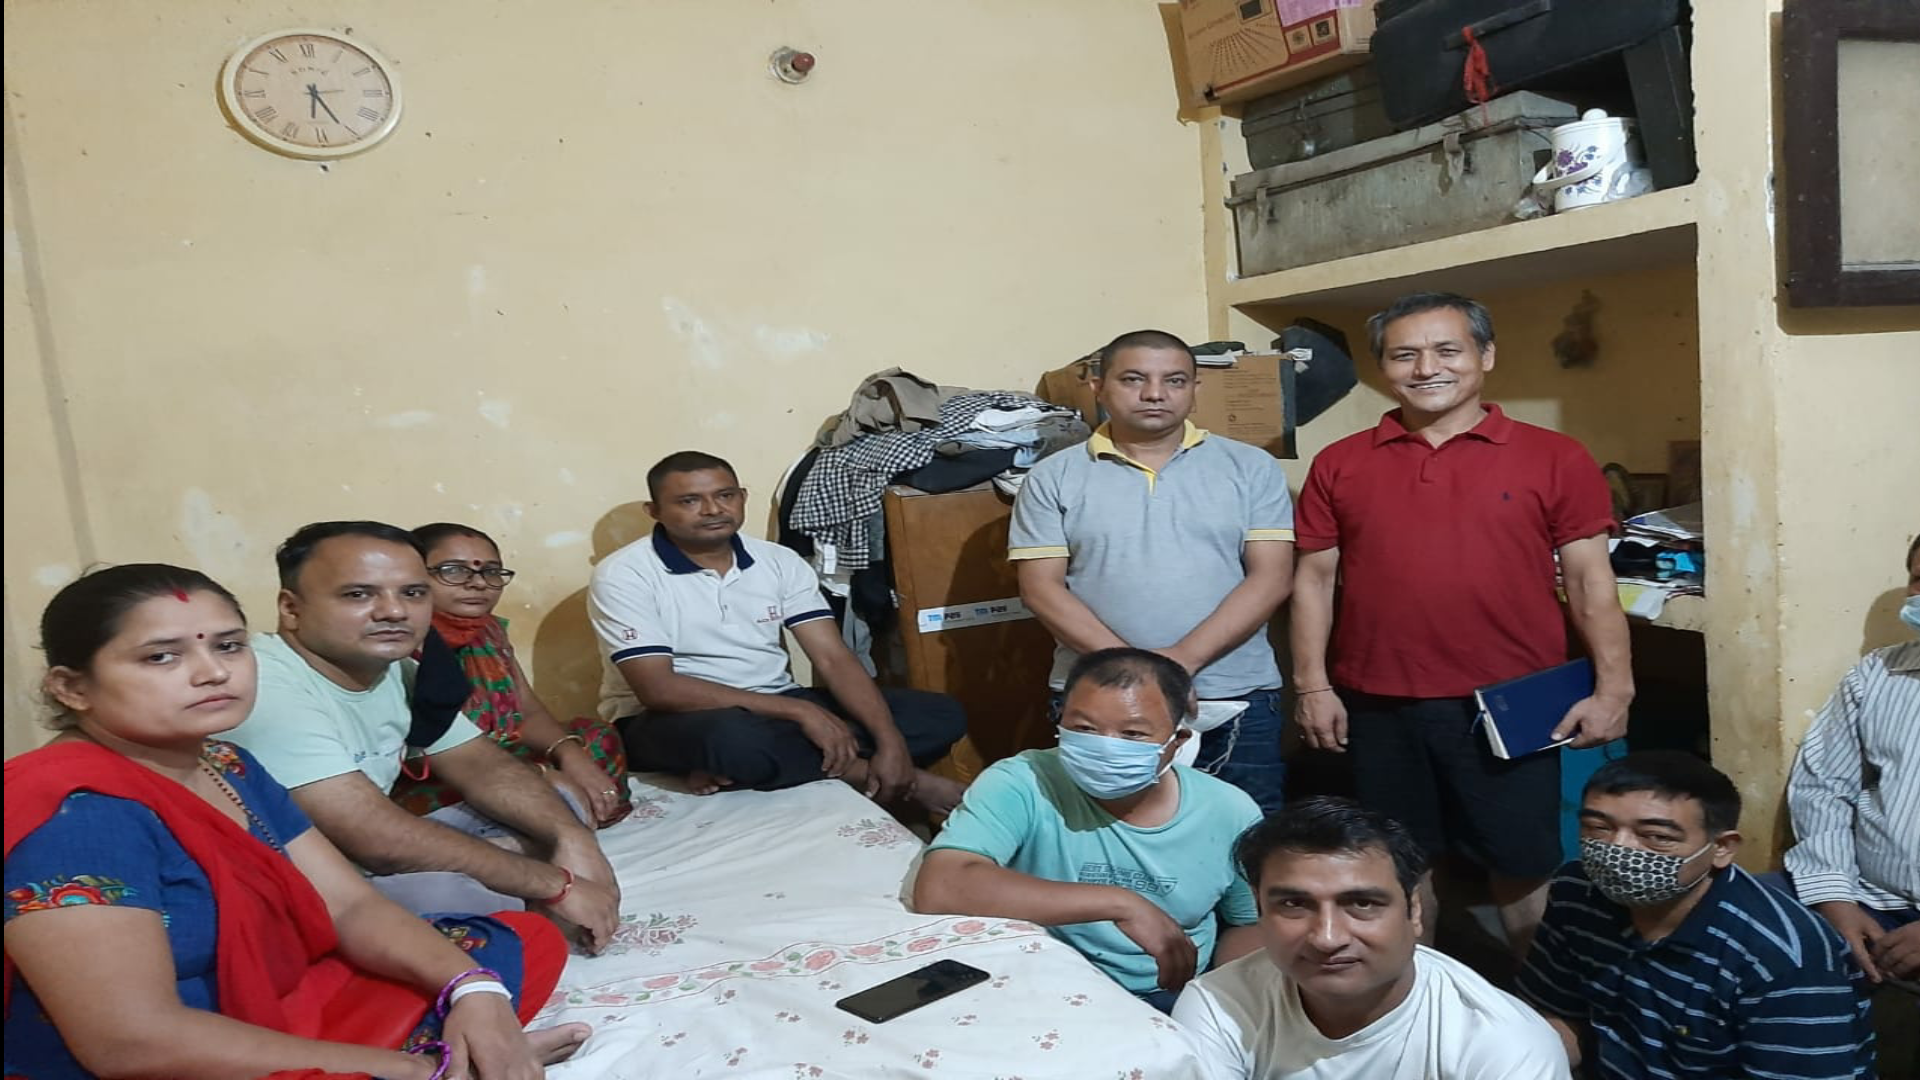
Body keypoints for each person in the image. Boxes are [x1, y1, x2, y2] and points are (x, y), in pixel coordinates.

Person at [3, 563, 589, 1079]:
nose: (212, 672)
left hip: (280, 1006)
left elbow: (349, 905)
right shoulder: (73, 812)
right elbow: (129, 1042)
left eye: (229, 646)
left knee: (510, 946)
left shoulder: (226, 764)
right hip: (168, 1052)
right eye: (161, 656)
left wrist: (474, 991)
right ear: (72, 688)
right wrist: (415, 1070)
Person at [1290, 292, 1632, 953]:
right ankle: (1416, 995)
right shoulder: (1340, 461)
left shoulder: (1555, 456)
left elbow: (1591, 582)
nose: (1427, 369)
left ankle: (1542, 1001)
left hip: (1516, 701)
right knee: (1398, 860)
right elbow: (1313, 581)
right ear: (1384, 367)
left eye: (1447, 350)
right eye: (1405, 355)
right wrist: (1312, 685)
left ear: (1486, 355)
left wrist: (1614, 688)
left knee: (1522, 859)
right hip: (1379, 699)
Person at [225, 521, 620, 949]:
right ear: (291, 608)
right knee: (454, 896)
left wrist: (573, 838)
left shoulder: (398, 669)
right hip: (298, 878)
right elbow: (376, 836)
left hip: (364, 857)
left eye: (412, 593)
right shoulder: (266, 685)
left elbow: (481, 765)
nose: (394, 611)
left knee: (558, 802)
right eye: (359, 595)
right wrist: (556, 883)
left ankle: (525, 908)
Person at [1010, 329, 1296, 815]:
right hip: (1101, 700)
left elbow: (1271, 578)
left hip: (1234, 695)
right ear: (1098, 387)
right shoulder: (1052, 477)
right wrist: (1142, 673)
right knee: (1105, 834)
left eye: (1174, 380)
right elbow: (1040, 589)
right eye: (1133, 379)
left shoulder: (1251, 467)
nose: (1155, 393)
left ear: (1195, 389)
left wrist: (1181, 661)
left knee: (1248, 835)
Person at [592, 450, 967, 811]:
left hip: (773, 702)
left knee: (939, 714)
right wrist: (800, 713)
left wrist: (890, 742)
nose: (712, 509)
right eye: (690, 501)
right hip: (667, 718)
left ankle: (740, 768)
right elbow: (659, 690)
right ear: (654, 511)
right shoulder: (626, 574)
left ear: (742, 497)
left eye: (725, 495)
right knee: (733, 739)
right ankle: (869, 774)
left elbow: (832, 658)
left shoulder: (778, 561)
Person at [912, 648, 1263, 1013]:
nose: (1106, 746)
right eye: (1084, 729)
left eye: (1133, 733)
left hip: (1165, 993)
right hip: (1036, 979)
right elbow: (940, 887)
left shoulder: (1230, 811)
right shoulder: (1022, 781)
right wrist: (1122, 904)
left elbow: (1250, 924)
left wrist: (1222, 1001)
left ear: (1177, 742)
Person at [1517, 751, 1876, 1079]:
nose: (1618, 849)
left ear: (1721, 848)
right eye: (1599, 828)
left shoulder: (1780, 956)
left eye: (1655, 836)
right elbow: (1559, 1018)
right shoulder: (1577, 893)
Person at [1172, 797, 1570, 1079]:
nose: (1327, 938)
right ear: (1260, 910)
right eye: (1294, 904)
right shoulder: (1219, 1005)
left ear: (1414, 910)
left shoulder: (1503, 1044)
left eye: (1362, 903)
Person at [391, 522, 633, 828]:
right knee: (464, 795)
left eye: (491, 572)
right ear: (414, 576)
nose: (478, 583)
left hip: (503, 753)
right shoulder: (395, 640)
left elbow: (527, 712)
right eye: (454, 571)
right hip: (437, 771)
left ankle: (556, 817)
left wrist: (568, 753)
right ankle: (552, 819)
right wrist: (534, 774)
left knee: (595, 737)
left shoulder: (488, 631)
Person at [1781, 534, 1920, 990]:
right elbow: (1823, 786)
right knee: (1744, 918)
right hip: (1871, 897)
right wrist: (1834, 897)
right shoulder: (1878, 675)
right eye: (1919, 579)